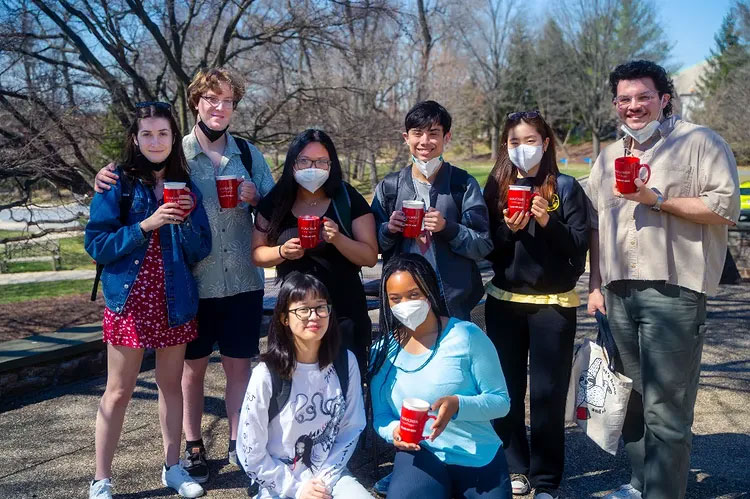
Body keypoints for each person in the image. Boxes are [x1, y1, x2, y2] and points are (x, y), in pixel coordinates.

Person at [95, 67, 276, 483]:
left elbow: (277, 206)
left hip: (243, 280)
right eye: (212, 98)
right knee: (190, 372)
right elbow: (133, 175)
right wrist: (104, 175)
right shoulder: (176, 155)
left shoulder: (248, 155)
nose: (219, 107)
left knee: (239, 367)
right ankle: (191, 447)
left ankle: (238, 446)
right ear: (196, 102)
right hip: (192, 285)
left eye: (228, 101)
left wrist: (257, 198)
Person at [586, 60, 740, 499]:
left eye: (643, 96)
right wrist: (595, 284)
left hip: (673, 291)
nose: (633, 106)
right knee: (631, 401)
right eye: (624, 99)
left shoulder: (700, 142)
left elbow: (724, 207)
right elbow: (596, 222)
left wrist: (655, 200)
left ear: (664, 98)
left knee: (666, 408)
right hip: (618, 292)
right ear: (615, 104)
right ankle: (640, 483)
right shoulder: (609, 156)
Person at [85, 102, 212, 499]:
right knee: (118, 391)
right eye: (147, 134)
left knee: (170, 386)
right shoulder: (117, 182)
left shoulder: (185, 186)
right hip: (129, 302)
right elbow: (97, 245)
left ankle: (173, 468)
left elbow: (201, 249)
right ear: (135, 139)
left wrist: (187, 220)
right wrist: (145, 225)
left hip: (175, 303)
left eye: (163, 133)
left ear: (174, 138)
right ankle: (101, 480)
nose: (155, 141)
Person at [482, 111, 589, 499]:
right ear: (505, 146)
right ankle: (515, 466)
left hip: (552, 306)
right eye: (515, 142)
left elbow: (578, 247)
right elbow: (486, 248)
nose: (522, 148)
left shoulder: (566, 187)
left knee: (548, 393)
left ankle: (546, 478)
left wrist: (548, 222)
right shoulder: (496, 187)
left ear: (545, 144)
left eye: (530, 141)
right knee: (506, 389)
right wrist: (507, 231)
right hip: (504, 303)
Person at [368, 253, 512, 498]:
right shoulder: (382, 351)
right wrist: (394, 431)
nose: (405, 304)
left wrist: (458, 405)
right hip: (422, 453)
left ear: (430, 291)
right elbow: (381, 416)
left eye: (414, 294)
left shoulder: (467, 336)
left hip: (477, 454)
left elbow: (500, 402)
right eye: (395, 298)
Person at [252, 129, 378, 372]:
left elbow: (370, 256)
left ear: (331, 165)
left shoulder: (346, 197)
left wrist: (338, 239)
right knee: (294, 383)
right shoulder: (277, 200)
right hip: (296, 313)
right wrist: (282, 251)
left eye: (321, 162)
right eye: (305, 161)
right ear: (292, 163)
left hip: (344, 312)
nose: (313, 167)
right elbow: (257, 254)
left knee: (346, 382)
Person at [237, 272, 370, 499]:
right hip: (277, 483)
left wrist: (322, 482)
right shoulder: (266, 374)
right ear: (284, 318)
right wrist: (297, 489)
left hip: (330, 477)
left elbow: (352, 427)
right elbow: (250, 451)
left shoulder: (345, 362)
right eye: (303, 309)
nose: (314, 316)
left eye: (320, 307)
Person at [371, 100, 492, 320]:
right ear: (406, 138)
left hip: (452, 302)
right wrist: (388, 230)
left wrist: (448, 228)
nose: (425, 141)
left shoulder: (463, 185)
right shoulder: (389, 187)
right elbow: (371, 247)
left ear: (447, 137)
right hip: (403, 301)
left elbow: (482, 245)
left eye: (433, 133)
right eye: (417, 133)